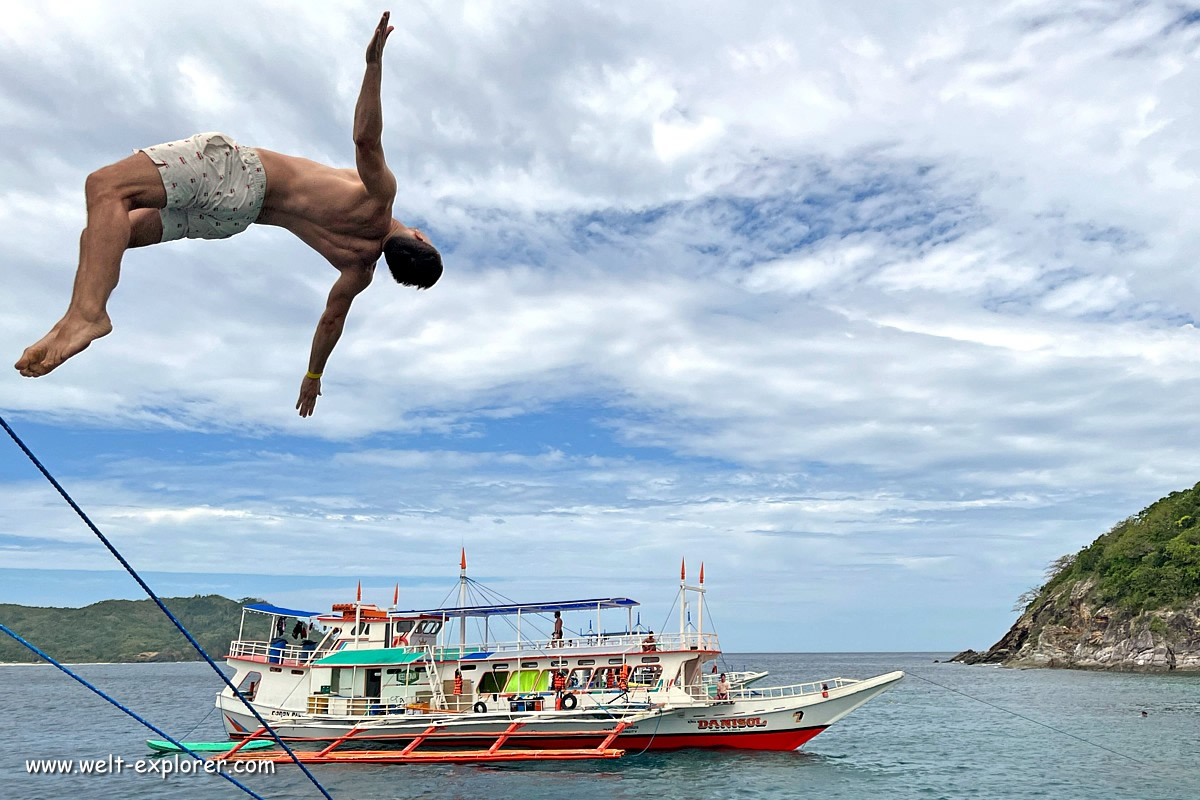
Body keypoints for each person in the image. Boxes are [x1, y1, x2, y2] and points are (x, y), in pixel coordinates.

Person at [14, 11, 444, 420]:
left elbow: (366, 142)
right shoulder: (359, 270)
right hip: (233, 219)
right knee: (111, 232)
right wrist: (313, 377)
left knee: (105, 187)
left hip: (238, 176)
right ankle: (72, 317)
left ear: (420, 237)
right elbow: (332, 320)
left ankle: (87, 315)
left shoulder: (380, 199)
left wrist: (372, 66)